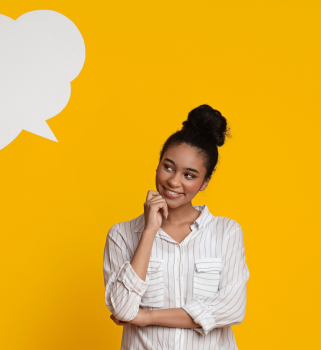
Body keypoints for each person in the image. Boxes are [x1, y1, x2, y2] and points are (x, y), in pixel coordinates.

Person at [103, 105, 249, 349]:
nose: (173, 181)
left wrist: (147, 317)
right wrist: (149, 231)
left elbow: (232, 308)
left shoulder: (226, 232)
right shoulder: (121, 234)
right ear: (158, 164)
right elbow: (123, 309)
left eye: (189, 175)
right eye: (168, 167)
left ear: (205, 182)